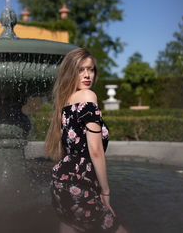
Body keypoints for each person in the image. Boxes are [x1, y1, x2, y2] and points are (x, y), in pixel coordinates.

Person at [45, 48, 129, 233]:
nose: (87, 75)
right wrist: (106, 191)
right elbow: (96, 150)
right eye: (80, 69)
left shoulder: (66, 101)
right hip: (78, 186)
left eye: (90, 69)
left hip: (60, 183)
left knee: (69, 226)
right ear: (70, 72)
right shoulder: (88, 97)